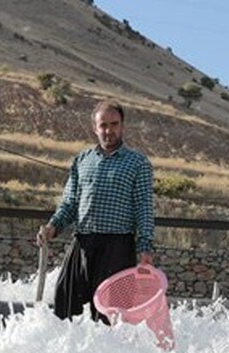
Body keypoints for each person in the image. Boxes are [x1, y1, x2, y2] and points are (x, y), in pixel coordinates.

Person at [37, 100, 155, 321]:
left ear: (123, 126)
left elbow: (144, 209)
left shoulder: (138, 163)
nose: (108, 130)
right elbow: (69, 203)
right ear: (95, 127)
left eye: (114, 124)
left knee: (109, 315)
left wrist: (145, 249)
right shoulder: (82, 160)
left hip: (118, 247)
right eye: (103, 125)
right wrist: (53, 226)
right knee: (64, 301)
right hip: (83, 242)